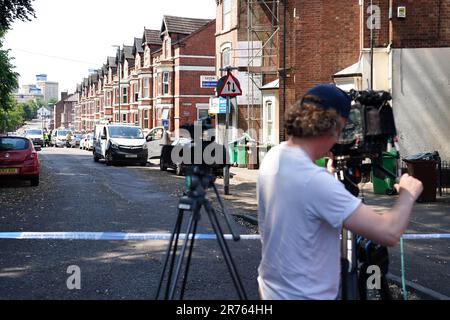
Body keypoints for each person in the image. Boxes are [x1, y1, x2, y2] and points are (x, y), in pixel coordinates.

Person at [257, 84, 423, 300]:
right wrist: (408, 194)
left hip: (272, 292)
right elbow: (388, 232)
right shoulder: (315, 182)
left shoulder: (274, 157)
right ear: (335, 126)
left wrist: (328, 175)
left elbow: (304, 200)